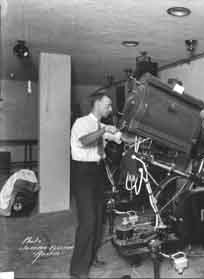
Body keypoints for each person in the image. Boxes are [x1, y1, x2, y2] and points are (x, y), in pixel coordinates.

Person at [70, 91, 128, 279]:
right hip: (83, 173)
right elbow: (84, 141)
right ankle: (78, 270)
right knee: (87, 221)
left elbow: (121, 138)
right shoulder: (81, 123)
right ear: (96, 104)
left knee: (99, 219)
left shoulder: (103, 126)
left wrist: (133, 135)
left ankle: (91, 257)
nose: (110, 109)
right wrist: (104, 131)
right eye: (108, 105)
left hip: (98, 173)